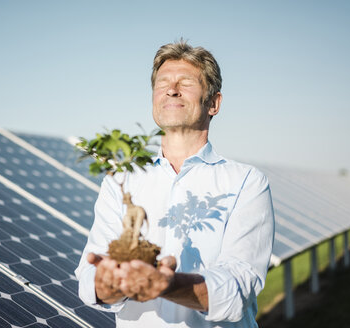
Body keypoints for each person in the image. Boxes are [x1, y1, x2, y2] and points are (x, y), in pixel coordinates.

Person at [75, 40, 275, 327]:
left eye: (185, 82)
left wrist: (167, 285)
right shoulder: (121, 179)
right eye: (162, 83)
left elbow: (239, 285)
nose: (171, 89)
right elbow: (88, 276)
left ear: (214, 103)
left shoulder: (246, 182)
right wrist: (105, 285)